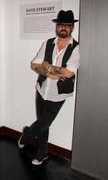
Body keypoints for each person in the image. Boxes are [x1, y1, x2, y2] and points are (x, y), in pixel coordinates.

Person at [18, 10, 80, 165]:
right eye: (61, 24)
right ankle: (42, 154)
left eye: (67, 25)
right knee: (43, 125)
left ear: (72, 27)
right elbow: (34, 64)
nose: (63, 28)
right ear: (56, 26)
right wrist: (53, 72)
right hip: (41, 89)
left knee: (43, 123)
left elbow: (68, 72)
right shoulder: (48, 43)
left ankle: (26, 135)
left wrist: (47, 67)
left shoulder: (77, 48)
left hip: (58, 95)